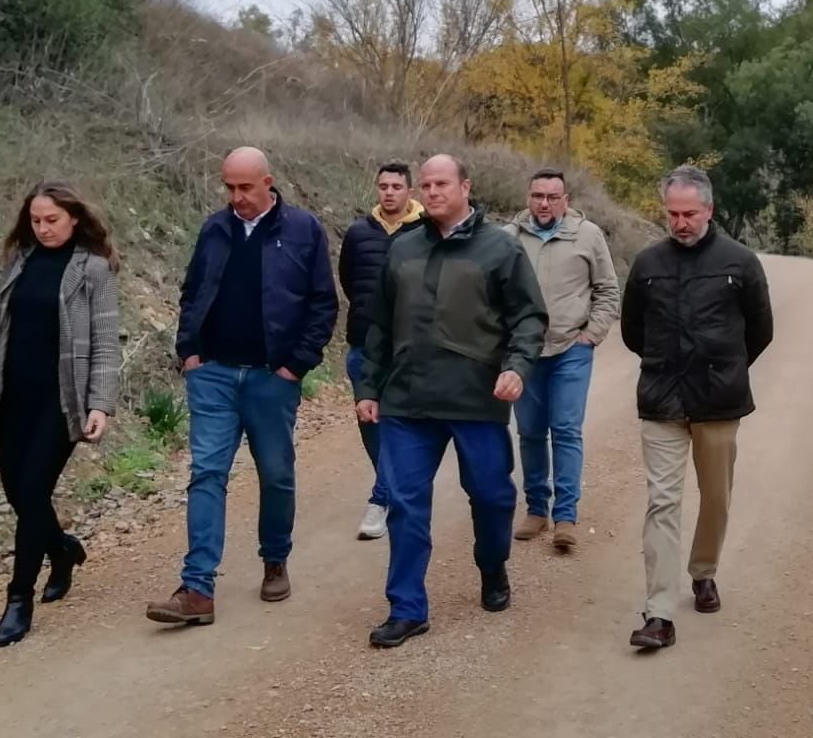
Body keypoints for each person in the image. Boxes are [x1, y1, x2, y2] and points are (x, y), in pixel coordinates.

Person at [356, 154, 547, 648]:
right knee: (403, 502)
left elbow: (529, 318)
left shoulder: (499, 250)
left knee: (491, 495)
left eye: (442, 182)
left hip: (475, 399)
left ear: (466, 186)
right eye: (427, 183)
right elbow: (377, 325)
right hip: (407, 400)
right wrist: (369, 388)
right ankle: (407, 607)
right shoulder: (402, 249)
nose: (433, 191)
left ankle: (492, 565)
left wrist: (516, 366)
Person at [145, 147, 338, 627]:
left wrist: (297, 364)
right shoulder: (215, 228)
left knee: (275, 474)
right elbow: (193, 290)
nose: (237, 198)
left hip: (271, 377)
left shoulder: (302, 230)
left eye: (245, 188)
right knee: (207, 473)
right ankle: (197, 588)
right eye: (229, 187)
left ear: (267, 182)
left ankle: (275, 559)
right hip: (212, 373)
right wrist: (189, 350)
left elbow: (322, 303)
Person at [0, 182, 122, 648]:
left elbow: (107, 341)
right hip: (13, 396)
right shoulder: (19, 263)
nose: (44, 228)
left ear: (73, 219)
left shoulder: (93, 270)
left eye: (52, 219)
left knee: (32, 490)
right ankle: (63, 549)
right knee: (19, 494)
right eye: (36, 220)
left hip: (62, 399)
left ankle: (17, 599)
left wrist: (100, 403)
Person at [620, 165, 773, 651]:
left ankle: (703, 571)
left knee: (716, 496)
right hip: (662, 399)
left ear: (709, 210)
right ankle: (659, 612)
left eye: (689, 213)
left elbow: (760, 331)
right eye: (672, 213)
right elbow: (632, 332)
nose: (680, 222)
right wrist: (663, 364)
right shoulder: (647, 264)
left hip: (718, 399)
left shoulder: (741, 263)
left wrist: (725, 366)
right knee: (662, 502)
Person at [504, 169, 620, 551]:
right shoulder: (508, 238)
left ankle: (565, 516)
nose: (544, 203)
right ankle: (536, 508)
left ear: (566, 199)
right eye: (538, 195)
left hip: (571, 349)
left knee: (566, 430)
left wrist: (592, 335)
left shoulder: (587, 235)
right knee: (531, 431)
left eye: (553, 197)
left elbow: (607, 290)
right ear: (528, 197)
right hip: (525, 353)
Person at [336, 161, 424, 540]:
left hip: (409, 347)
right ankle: (390, 488)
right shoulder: (358, 233)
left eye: (396, 186)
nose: (389, 192)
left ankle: (382, 498)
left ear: (409, 191)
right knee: (370, 423)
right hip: (363, 344)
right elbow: (349, 280)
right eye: (383, 186)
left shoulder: (425, 230)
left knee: (400, 424)